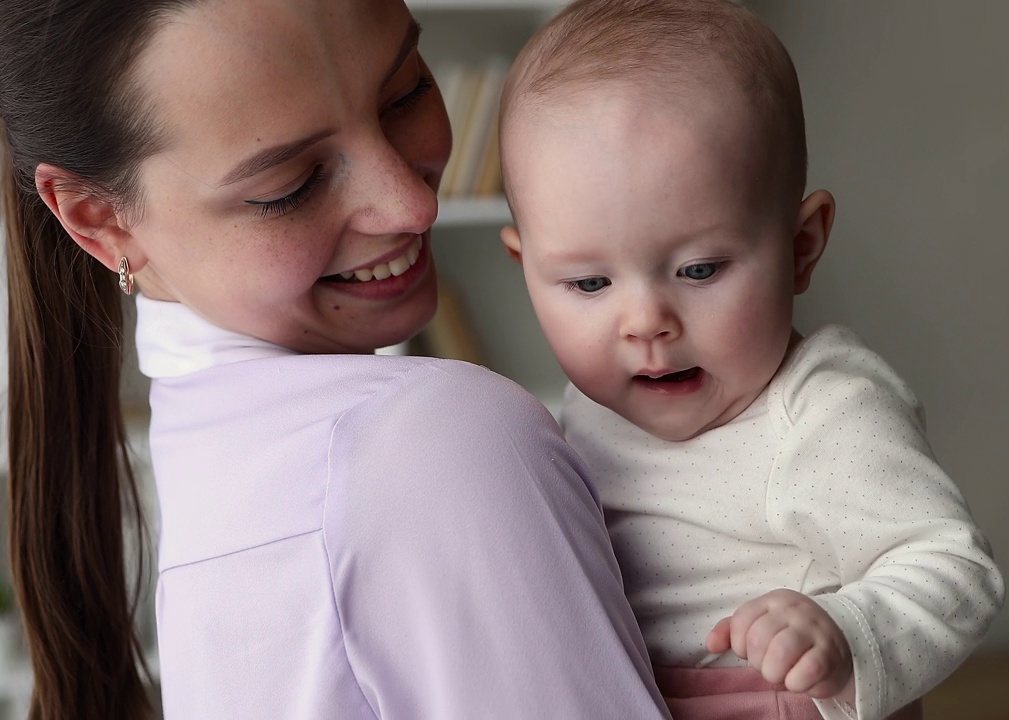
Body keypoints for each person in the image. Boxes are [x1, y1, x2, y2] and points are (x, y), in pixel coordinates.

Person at [1, 0, 673, 718]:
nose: (412, 204)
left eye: (407, 90)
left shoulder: (209, 449)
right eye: (288, 186)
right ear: (99, 222)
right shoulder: (434, 441)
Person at [497, 1, 1006, 719]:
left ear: (801, 247)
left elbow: (956, 571)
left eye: (700, 270)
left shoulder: (823, 413)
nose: (645, 323)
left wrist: (844, 629)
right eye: (588, 283)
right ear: (526, 269)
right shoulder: (583, 410)